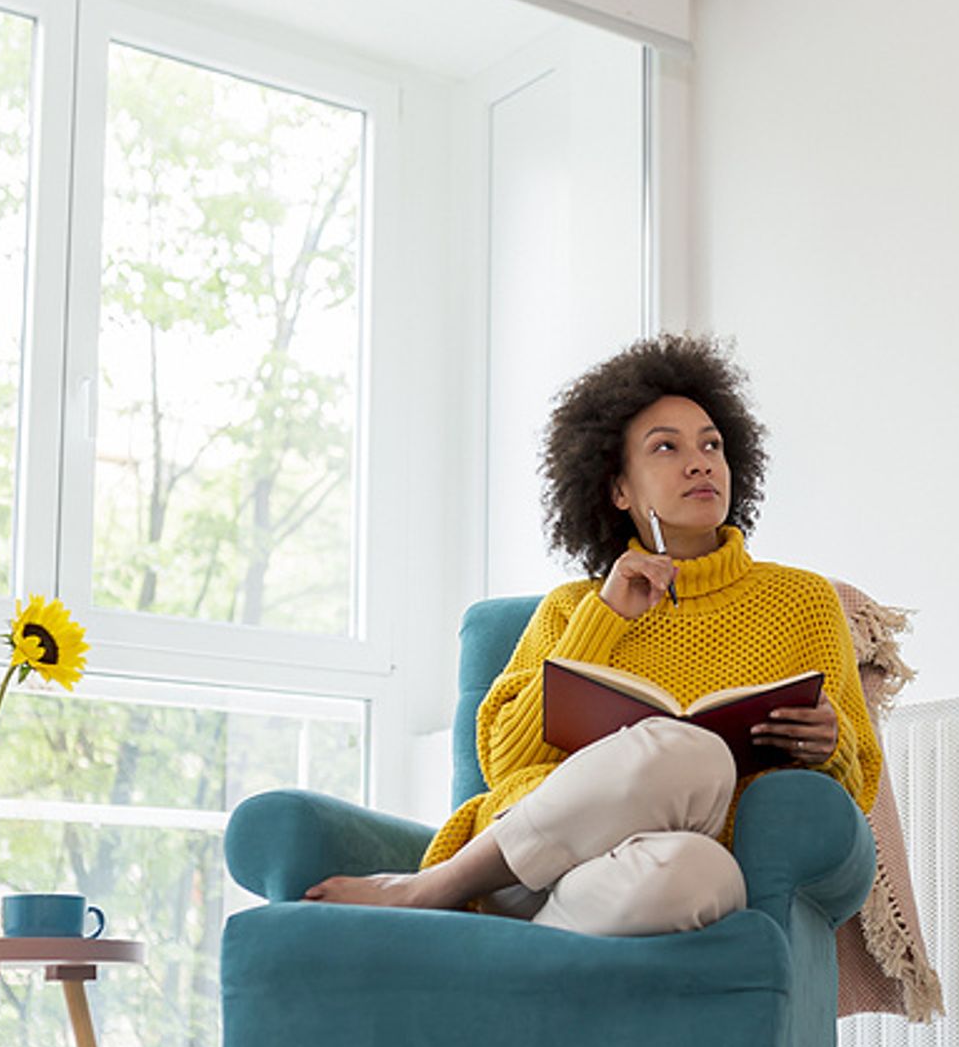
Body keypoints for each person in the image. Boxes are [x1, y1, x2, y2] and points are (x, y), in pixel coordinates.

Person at [306, 334, 880, 935]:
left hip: (652, 873)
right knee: (692, 751)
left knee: (705, 875)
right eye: (666, 447)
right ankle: (436, 886)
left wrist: (830, 745)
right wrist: (605, 618)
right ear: (618, 490)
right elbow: (506, 763)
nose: (700, 461)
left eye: (713, 445)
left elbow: (859, 783)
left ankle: (524, 959)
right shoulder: (573, 607)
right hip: (516, 873)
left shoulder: (802, 601)